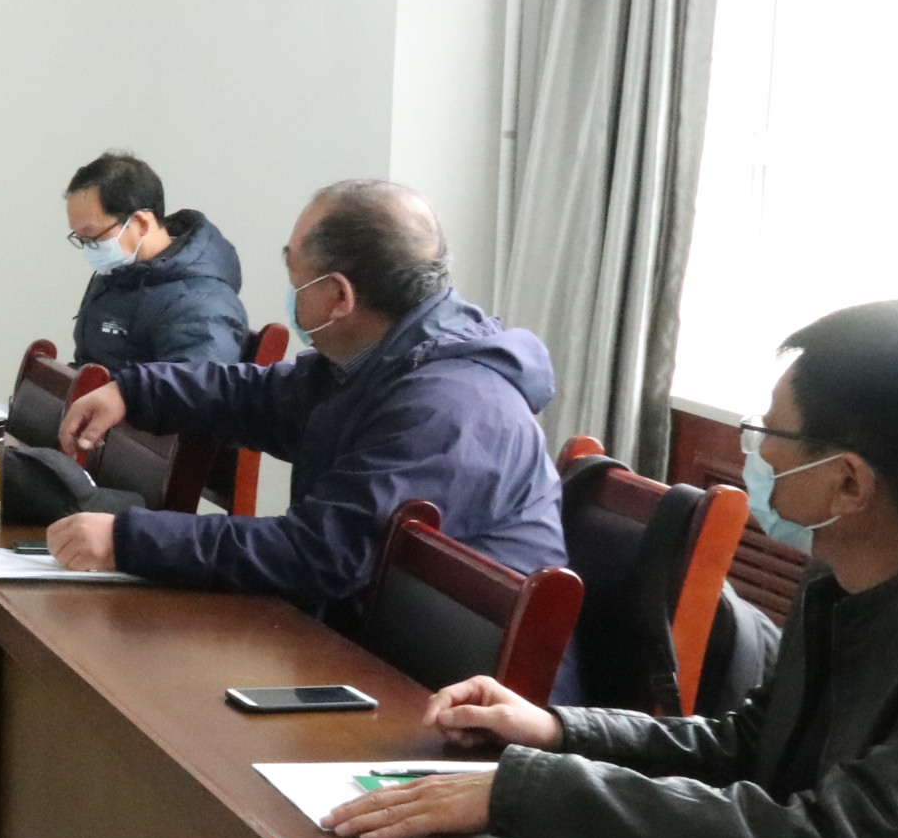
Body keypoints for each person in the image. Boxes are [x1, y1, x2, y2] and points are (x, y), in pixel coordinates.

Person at [324, 301, 898, 838]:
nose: (758, 449)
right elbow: (748, 746)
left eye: (769, 431)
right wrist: (557, 731)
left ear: (849, 483)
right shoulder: (833, 583)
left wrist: (528, 793)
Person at [47, 180, 565, 634]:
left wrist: (129, 539)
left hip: (445, 690)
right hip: (367, 643)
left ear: (339, 296)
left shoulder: (446, 407)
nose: (292, 296)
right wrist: (135, 391)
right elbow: (256, 397)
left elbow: (320, 553)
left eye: (297, 281)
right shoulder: (378, 359)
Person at [61, 150, 252, 367]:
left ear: (141, 223)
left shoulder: (200, 304)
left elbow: (196, 381)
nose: (89, 247)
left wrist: (119, 386)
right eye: (81, 238)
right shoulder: (118, 278)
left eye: (93, 235)